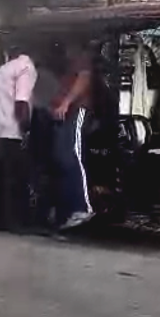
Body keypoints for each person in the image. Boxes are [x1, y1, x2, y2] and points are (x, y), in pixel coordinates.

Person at [0, 40, 37, 232]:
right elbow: (21, 101)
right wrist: (26, 129)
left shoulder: (5, 68)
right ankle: (14, 223)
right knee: (15, 178)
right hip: (12, 130)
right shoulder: (26, 67)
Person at [49, 41, 95, 230]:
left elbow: (84, 79)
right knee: (63, 158)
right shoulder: (68, 68)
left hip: (77, 111)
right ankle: (67, 209)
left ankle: (83, 206)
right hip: (66, 114)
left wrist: (66, 103)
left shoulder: (81, 60)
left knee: (73, 155)